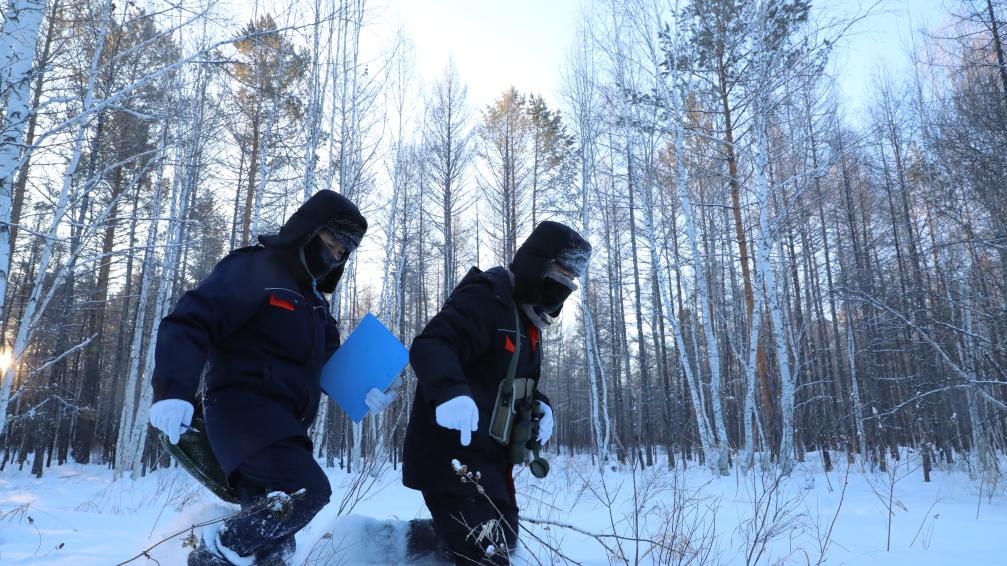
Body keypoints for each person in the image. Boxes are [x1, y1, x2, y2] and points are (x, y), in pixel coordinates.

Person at [148, 190, 397, 566]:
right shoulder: (255, 269)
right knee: (306, 490)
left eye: (344, 253)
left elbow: (331, 363)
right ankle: (215, 552)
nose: (336, 258)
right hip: (243, 411)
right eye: (332, 245)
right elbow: (192, 321)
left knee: (274, 546)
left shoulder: (315, 303)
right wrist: (172, 389)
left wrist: (365, 389)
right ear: (309, 233)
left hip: (285, 424)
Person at [403, 221, 591, 565]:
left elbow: (518, 382)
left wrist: (542, 406)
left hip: (491, 460)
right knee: (487, 555)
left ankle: (410, 549)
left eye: (570, 282)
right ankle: (391, 550)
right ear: (538, 265)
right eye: (560, 275)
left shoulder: (526, 322)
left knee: (506, 538)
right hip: (454, 456)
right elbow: (433, 343)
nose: (564, 287)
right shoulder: (486, 298)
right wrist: (450, 393)